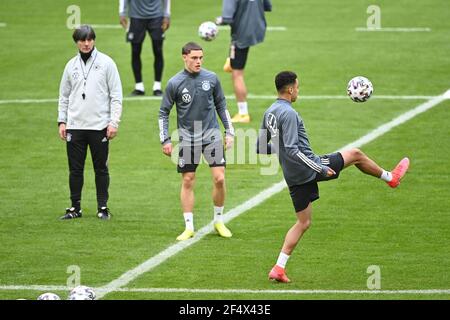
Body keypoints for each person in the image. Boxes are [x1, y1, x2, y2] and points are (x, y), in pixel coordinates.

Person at [257, 71, 410, 282]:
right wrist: (318, 168)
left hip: (292, 175)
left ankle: (279, 268)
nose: (298, 91)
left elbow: (260, 147)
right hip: (309, 167)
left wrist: (281, 149)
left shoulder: (270, 112)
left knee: (303, 223)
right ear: (290, 89)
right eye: (298, 87)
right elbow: (293, 150)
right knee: (356, 154)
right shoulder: (289, 113)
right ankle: (390, 178)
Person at [159, 42, 235, 241]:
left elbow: (221, 104)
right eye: (194, 58)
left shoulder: (212, 78)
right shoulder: (174, 83)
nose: (198, 61)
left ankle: (218, 220)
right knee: (188, 180)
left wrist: (230, 132)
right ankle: (189, 227)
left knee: (219, 178)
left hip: (211, 135)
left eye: (201, 57)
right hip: (188, 139)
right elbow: (163, 113)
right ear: (184, 57)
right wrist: (165, 139)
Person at [58, 25, 123, 220]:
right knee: (75, 170)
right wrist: (62, 121)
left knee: (101, 168)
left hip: (99, 126)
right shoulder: (71, 65)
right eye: (82, 40)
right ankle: (74, 208)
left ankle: (102, 207)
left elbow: (116, 95)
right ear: (76, 42)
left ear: (94, 40)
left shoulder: (107, 63)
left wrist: (114, 122)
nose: (86, 44)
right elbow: (64, 96)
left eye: (89, 40)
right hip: (75, 125)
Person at [217, 0, 272, 123]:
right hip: (258, 28)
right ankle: (230, 61)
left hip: (242, 34)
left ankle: (243, 114)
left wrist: (217, 22)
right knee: (233, 63)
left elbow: (227, 18)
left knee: (237, 74)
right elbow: (267, 6)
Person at [119, 0, 171, 96]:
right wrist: (122, 13)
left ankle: (157, 87)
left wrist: (167, 15)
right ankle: (139, 87)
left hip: (157, 17)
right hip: (136, 17)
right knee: (135, 51)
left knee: (158, 51)